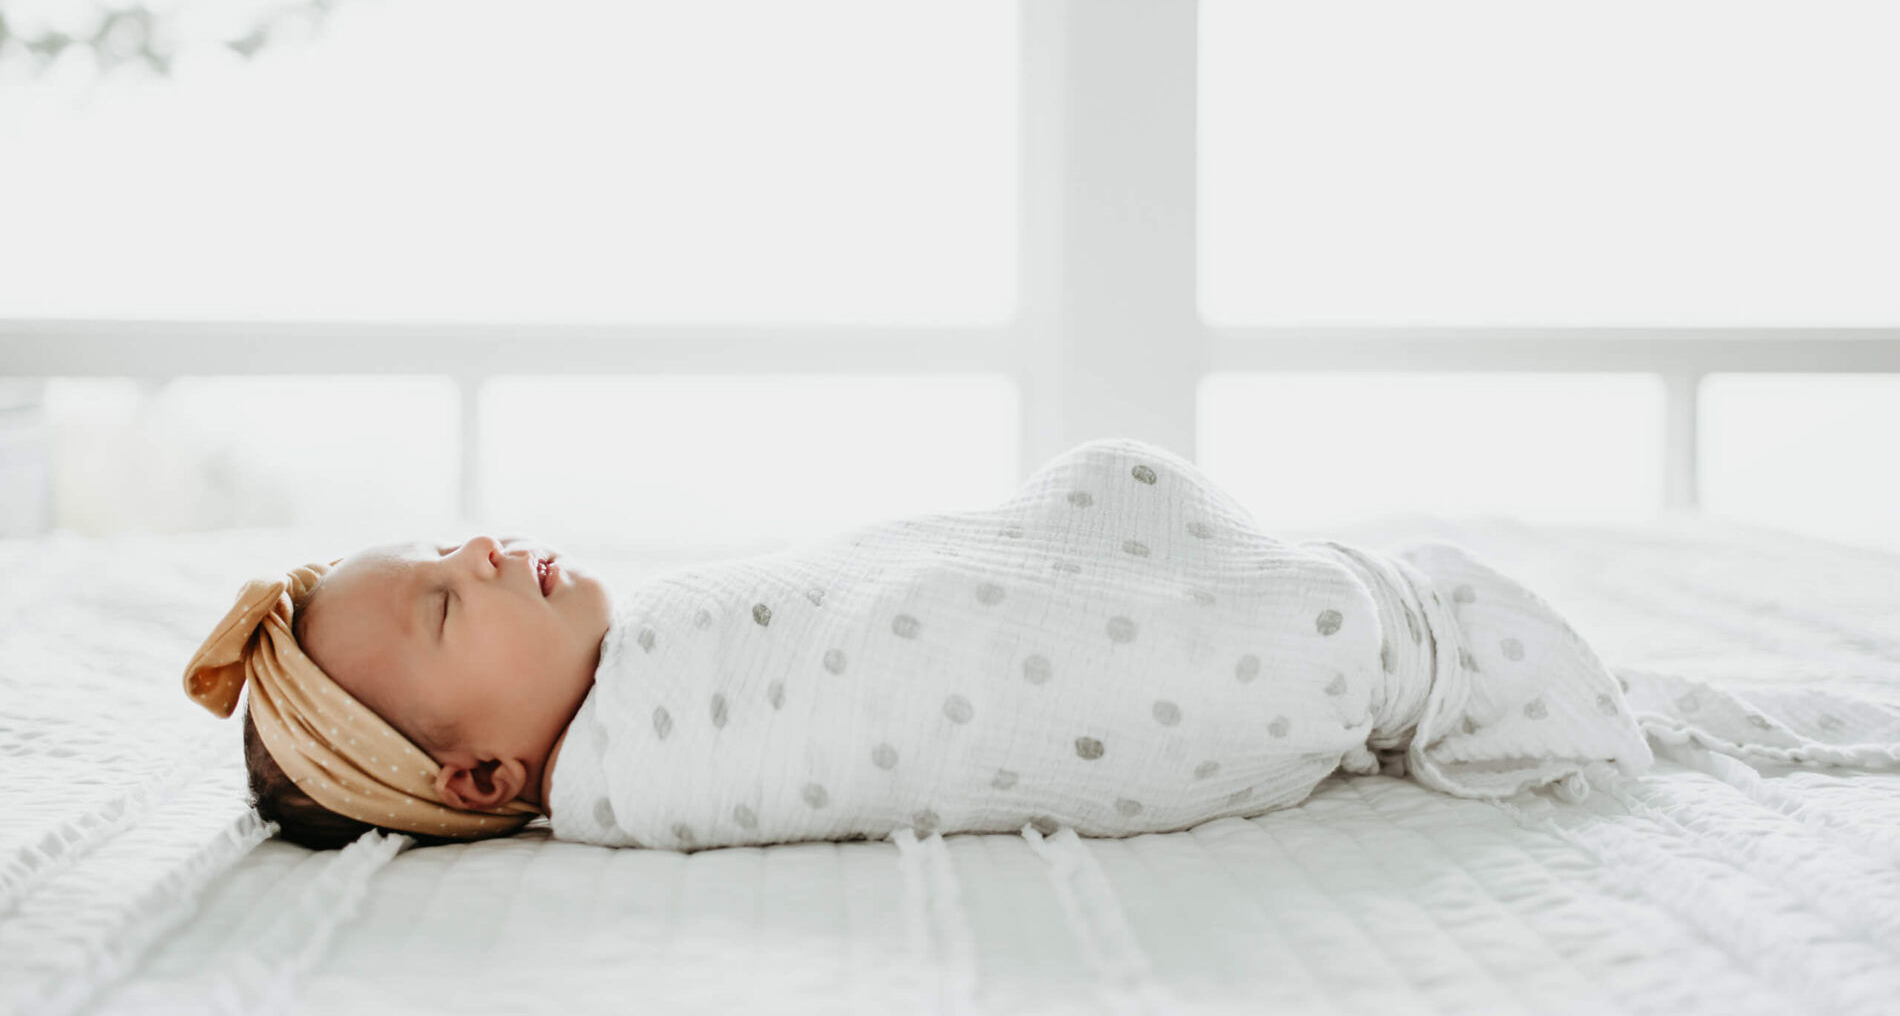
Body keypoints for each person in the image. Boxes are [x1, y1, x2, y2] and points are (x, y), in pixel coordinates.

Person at [186, 438, 1655, 852]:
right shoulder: (644, 766)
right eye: (448, 602)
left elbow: (892, 580)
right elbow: (926, 680)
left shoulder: (636, 667)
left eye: (453, 546)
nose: (487, 551)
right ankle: (1390, 635)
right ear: (479, 779)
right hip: (1239, 649)